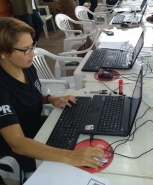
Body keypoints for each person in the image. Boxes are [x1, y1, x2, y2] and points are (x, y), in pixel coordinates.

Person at [0, 17, 105, 174]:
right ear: (3, 52)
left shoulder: (25, 66)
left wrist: (50, 98)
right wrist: (71, 156)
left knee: (85, 128)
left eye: (32, 46)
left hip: (38, 129)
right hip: (20, 149)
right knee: (76, 167)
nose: (33, 53)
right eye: (26, 49)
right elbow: (18, 143)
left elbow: (26, 96)